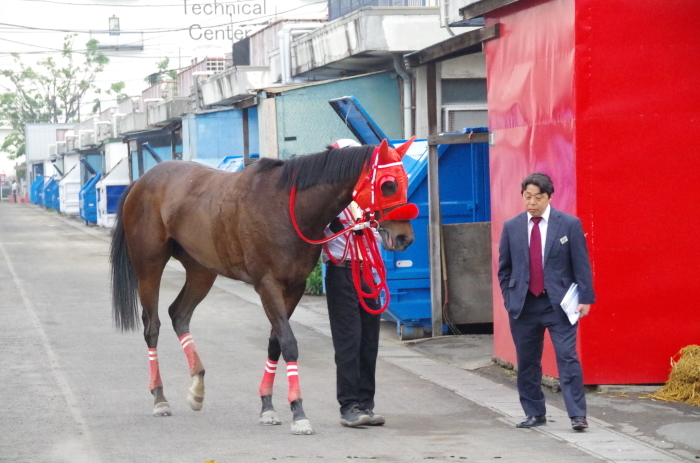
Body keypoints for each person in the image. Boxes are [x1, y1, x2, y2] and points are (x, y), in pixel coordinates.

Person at [498, 172, 595, 431]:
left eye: (538, 197)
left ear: (549, 197)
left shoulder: (569, 224)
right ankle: (534, 412)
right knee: (527, 362)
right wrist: (509, 298)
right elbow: (504, 269)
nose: (532, 202)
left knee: (567, 357)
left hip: (560, 305)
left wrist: (585, 298)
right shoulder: (512, 226)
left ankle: (577, 415)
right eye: (527, 197)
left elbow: (581, 265)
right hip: (524, 306)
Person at [324, 139, 385, 428]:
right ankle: (348, 405)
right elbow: (317, 228)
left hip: (368, 271)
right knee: (348, 341)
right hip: (342, 271)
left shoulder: (366, 198)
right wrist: (349, 226)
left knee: (369, 341)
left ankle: (366, 403)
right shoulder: (327, 199)